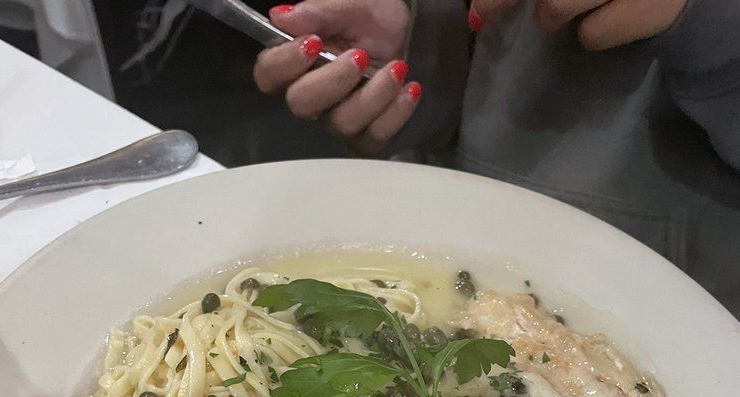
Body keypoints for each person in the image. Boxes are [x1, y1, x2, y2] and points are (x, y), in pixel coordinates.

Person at [253, 0, 740, 318]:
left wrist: (712, 26)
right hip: (444, 275)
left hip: (673, 317)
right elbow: (507, 53)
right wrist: (421, 55)